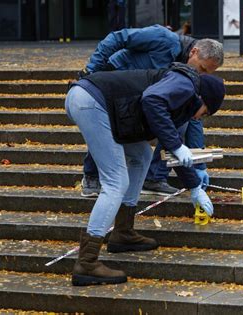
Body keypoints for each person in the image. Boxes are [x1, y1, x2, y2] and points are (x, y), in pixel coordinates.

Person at [65, 62, 225, 286]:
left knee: (141, 156)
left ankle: (122, 232)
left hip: (95, 101)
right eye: (206, 112)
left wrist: (195, 187)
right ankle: (87, 262)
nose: (200, 118)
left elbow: (172, 148)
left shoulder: (181, 103)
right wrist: (179, 149)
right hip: (91, 101)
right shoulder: (185, 85)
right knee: (116, 181)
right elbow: (151, 100)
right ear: (202, 100)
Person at [79, 24, 224, 197]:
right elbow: (116, 38)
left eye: (206, 73)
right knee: (106, 126)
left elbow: (192, 118)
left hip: (141, 98)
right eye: (201, 69)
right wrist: (92, 70)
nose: (200, 75)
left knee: (177, 124)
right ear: (194, 51)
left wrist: (199, 166)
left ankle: (154, 178)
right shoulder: (162, 38)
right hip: (114, 83)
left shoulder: (188, 82)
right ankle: (91, 175)